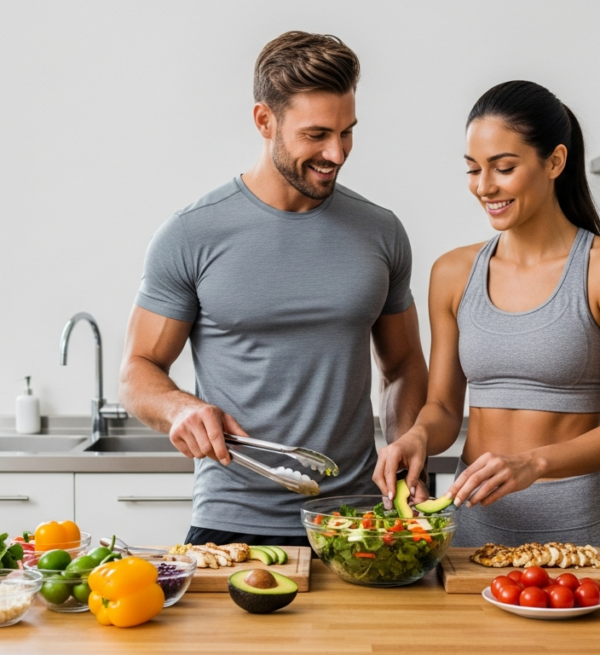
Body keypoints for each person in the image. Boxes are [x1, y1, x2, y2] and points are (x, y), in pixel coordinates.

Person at [120, 32, 428, 547]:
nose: (337, 153)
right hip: (232, 522)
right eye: (317, 135)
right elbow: (137, 372)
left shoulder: (381, 231)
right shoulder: (192, 233)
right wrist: (180, 407)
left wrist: (403, 449)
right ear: (264, 121)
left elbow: (402, 366)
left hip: (354, 522)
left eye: (347, 132)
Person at [373, 81, 600, 548]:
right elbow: (444, 408)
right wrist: (417, 437)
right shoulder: (452, 272)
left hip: (577, 535)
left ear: (555, 162)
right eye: (473, 169)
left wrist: (533, 463)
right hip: (472, 530)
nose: (485, 187)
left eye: (504, 168)